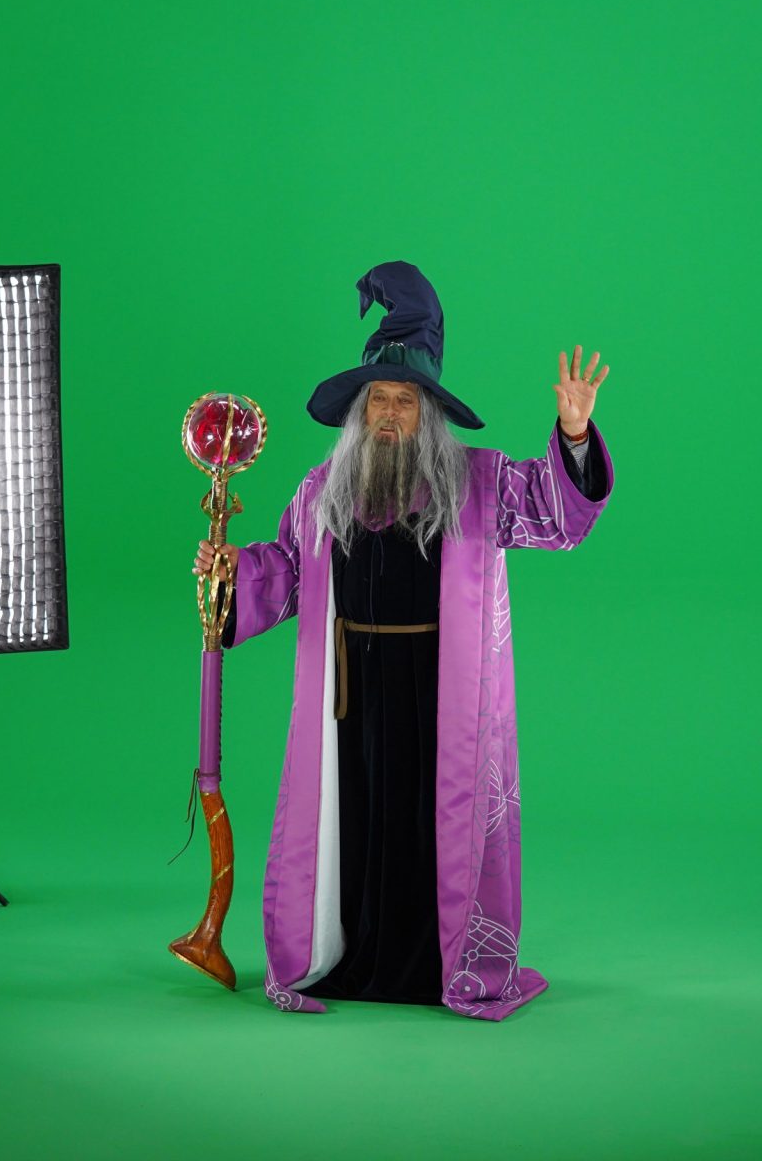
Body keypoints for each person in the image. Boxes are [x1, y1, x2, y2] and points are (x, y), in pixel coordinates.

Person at [191, 261, 613, 1020]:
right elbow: (287, 572)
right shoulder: (322, 490)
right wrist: (232, 573)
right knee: (353, 823)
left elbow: (557, 517)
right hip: (348, 692)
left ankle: (436, 967)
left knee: (432, 824)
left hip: (441, 692)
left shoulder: (481, 484)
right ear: (359, 412)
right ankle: (350, 958)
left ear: (430, 413)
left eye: (405, 401)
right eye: (378, 400)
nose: (388, 414)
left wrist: (575, 434)